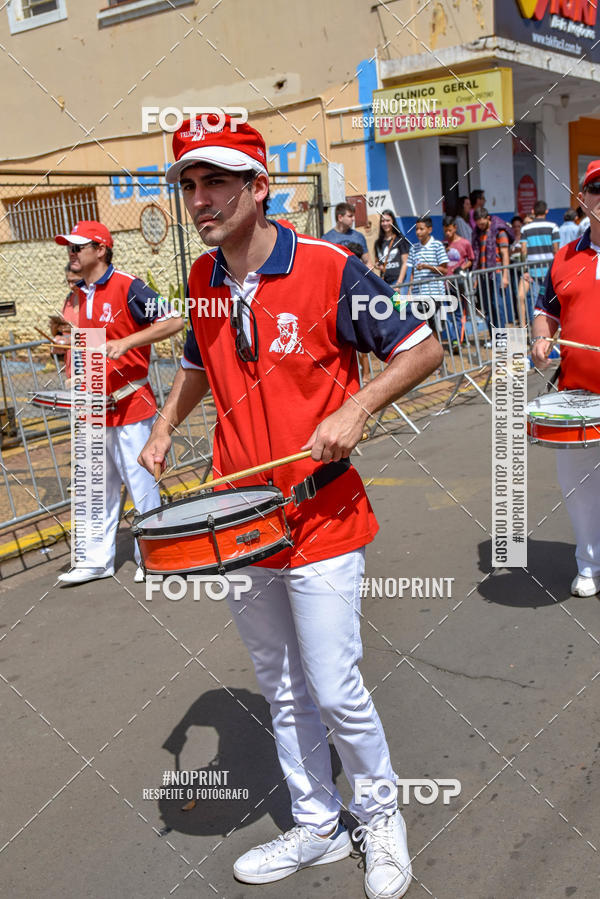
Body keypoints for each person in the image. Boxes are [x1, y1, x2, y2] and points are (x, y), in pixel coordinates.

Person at [139, 115, 443, 899]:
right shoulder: (204, 280)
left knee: (334, 683)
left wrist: (360, 407)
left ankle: (380, 818)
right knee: (279, 682)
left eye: (215, 183)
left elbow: (422, 346)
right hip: (239, 519)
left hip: (322, 514)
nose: (200, 200)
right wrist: (167, 427)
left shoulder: (328, 268)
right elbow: (197, 361)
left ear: (258, 187)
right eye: (190, 185)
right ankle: (318, 822)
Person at [53, 220, 184, 586]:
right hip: (91, 406)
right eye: (69, 247)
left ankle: (157, 557)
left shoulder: (129, 286)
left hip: (130, 405)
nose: (72, 253)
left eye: (79, 247)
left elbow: (173, 321)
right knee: (96, 486)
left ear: (101, 249)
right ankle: (95, 560)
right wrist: (68, 364)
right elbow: (76, 342)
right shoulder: (75, 294)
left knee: (141, 483)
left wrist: (128, 342)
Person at [531, 160, 600, 597]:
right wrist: (541, 339)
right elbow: (547, 310)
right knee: (579, 488)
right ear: (583, 198)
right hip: (577, 394)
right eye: (597, 189)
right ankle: (589, 563)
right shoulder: (565, 256)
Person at [471, 207, 513, 331]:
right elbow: (478, 256)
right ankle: (492, 336)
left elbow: (505, 253)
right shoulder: (478, 233)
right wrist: (475, 279)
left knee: (498, 305)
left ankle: (501, 336)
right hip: (484, 274)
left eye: (483, 224)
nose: (481, 226)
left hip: (497, 273)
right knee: (487, 306)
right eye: (478, 224)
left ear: (488, 218)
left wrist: (505, 276)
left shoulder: (500, 231)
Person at [520, 200, 559, 322]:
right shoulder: (553, 227)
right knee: (552, 300)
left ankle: (536, 332)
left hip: (533, 271)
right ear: (546, 211)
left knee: (536, 301)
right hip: (550, 270)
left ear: (533, 211)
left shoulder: (525, 229)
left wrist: (525, 269)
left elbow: (523, 251)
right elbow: (556, 250)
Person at [49, 264, 80, 380]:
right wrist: (56, 333)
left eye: (75, 281)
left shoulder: (93, 300)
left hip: (93, 368)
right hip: (72, 369)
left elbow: (101, 334)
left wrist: (73, 335)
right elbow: (62, 332)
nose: (71, 286)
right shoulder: (69, 299)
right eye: (68, 282)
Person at [322, 202, 373, 267]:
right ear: (340, 217)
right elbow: (324, 264)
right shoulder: (327, 239)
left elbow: (367, 262)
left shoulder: (358, 237)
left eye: (353, 216)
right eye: (350, 216)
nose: (353, 219)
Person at [373, 210, 410, 288]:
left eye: (388, 220)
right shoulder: (378, 243)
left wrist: (399, 283)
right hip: (384, 282)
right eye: (382, 221)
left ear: (393, 221)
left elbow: (405, 262)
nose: (385, 223)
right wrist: (378, 266)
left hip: (398, 282)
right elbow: (377, 262)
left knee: (397, 301)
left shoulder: (400, 240)